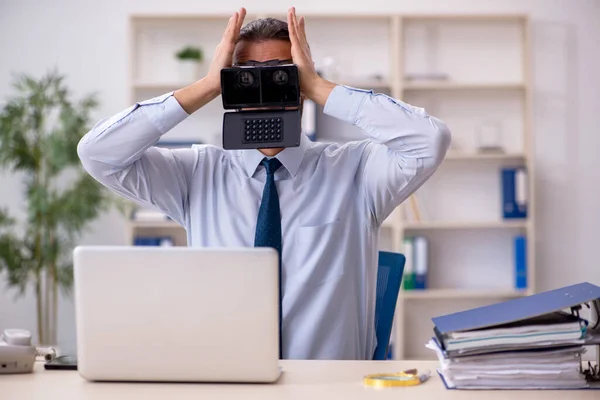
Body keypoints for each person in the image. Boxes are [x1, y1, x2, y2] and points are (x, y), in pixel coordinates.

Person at [77, 7, 451, 360]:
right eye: (245, 75)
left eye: (279, 73)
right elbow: (98, 153)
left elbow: (428, 141)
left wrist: (318, 87)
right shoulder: (196, 173)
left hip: (329, 387)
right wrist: (207, 86)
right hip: (227, 382)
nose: (262, 86)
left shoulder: (356, 170)